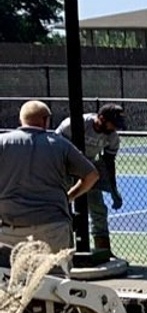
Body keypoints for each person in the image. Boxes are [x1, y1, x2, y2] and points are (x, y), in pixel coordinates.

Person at [0, 100, 99, 261]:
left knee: (11, 281)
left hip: (10, 227)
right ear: (46, 120)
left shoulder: (3, 142)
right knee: (55, 280)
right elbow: (91, 175)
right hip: (53, 225)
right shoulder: (59, 144)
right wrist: (70, 196)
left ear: (21, 120)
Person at [55, 104, 126, 261]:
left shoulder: (112, 137)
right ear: (101, 119)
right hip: (66, 166)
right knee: (62, 206)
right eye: (112, 124)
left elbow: (109, 162)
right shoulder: (74, 124)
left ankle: (104, 251)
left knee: (98, 209)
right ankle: (62, 251)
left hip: (88, 170)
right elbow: (55, 147)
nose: (115, 128)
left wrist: (113, 189)